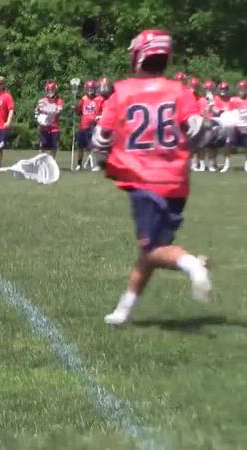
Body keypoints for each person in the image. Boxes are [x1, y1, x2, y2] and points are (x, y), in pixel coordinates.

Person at [92, 29, 221, 326]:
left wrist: (105, 157)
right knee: (150, 250)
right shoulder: (180, 91)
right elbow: (198, 131)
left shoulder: (123, 92)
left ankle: (192, 264)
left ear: (138, 56)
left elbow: (101, 138)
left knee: (153, 249)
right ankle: (124, 311)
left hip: (143, 179)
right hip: (177, 181)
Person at [76, 79, 102, 170]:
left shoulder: (99, 99)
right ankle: (79, 164)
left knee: (93, 146)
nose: (90, 91)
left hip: (94, 126)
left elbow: (104, 110)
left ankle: (94, 162)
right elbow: (78, 112)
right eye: (89, 89)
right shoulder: (83, 99)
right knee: (80, 146)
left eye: (92, 89)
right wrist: (76, 108)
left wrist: (100, 116)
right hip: (83, 125)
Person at [34, 81, 63, 158]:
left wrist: (52, 111)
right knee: (42, 146)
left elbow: (59, 110)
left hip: (54, 127)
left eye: (52, 90)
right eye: (49, 90)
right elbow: (36, 110)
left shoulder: (58, 101)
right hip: (44, 127)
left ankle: (51, 161)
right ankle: (40, 161)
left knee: (54, 146)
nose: (50, 92)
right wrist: (38, 118)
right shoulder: (42, 101)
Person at [215, 81, 234, 172]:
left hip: (229, 123)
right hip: (219, 123)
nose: (223, 90)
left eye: (225, 89)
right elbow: (215, 110)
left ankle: (227, 163)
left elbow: (234, 110)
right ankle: (213, 162)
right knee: (214, 142)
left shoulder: (231, 99)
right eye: (221, 89)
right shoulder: (216, 98)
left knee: (228, 143)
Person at [230, 80, 247, 171]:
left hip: (245, 125)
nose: (242, 90)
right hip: (235, 125)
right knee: (228, 143)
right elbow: (231, 113)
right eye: (240, 88)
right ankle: (226, 163)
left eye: (244, 88)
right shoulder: (233, 99)